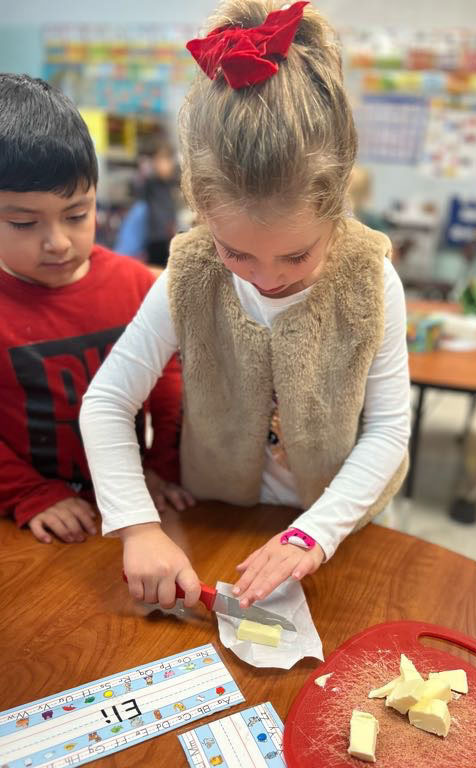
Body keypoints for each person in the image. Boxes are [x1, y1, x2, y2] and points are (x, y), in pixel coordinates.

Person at [80, 0, 410, 612]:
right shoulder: (190, 272)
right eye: (237, 253)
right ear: (201, 214)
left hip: (333, 527)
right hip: (215, 519)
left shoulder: (370, 278)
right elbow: (105, 402)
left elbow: (389, 430)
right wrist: (136, 524)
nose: (266, 279)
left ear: (336, 208)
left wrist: (315, 532)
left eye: (296, 256)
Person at [0, 73, 189, 545]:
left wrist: (159, 469)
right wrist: (29, 493)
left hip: (131, 512)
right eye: (24, 222)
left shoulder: (131, 283)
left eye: (77, 215)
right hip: (33, 522)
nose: (58, 242)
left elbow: (166, 384)